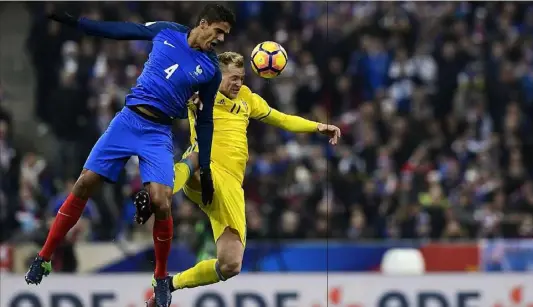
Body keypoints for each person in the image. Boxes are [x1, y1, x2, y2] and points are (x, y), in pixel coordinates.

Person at [24, 5, 236, 307]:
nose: (221, 39)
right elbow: (122, 30)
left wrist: (205, 168)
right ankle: (44, 257)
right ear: (204, 24)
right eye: (219, 31)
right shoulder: (167, 31)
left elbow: (205, 120)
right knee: (85, 182)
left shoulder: (211, 69)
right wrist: (78, 23)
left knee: (162, 200)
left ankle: (161, 278)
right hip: (128, 121)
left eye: (225, 35)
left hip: (158, 133)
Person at [135, 51, 341, 306]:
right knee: (199, 155)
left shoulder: (248, 99)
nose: (238, 83)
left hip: (231, 186)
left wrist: (317, 126)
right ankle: (158, 192)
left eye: (241, 78)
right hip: (205, 172)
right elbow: (166, 89)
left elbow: (282, 119)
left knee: (230, 264)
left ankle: (169, 284)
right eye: (233, 78)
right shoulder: (199, 92)